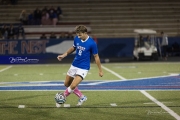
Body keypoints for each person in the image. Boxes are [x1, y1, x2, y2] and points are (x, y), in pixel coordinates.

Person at [56, 25, 103, 107]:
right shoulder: (77, 38)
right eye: (78, 35)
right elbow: (73, 48)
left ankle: (62, 97)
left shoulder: (92, 43)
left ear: (85, 33)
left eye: (80, 35)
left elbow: (96, 56)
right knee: (67, 84)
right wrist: (64, 55)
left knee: (73, 85)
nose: (78, 36)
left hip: (84, 67)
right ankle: (82, 97)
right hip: (74, 65)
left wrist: (100, 70)